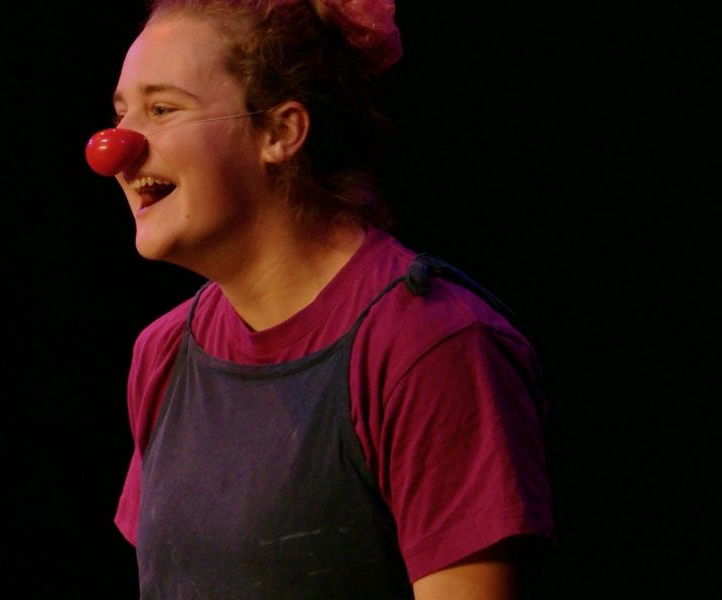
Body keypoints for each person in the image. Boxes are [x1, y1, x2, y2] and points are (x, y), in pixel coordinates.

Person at [83, 0, 557, 597]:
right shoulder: (163, 352)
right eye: (121, 114)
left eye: (162, 109)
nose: (114, 150)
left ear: (280, 132)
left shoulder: (429, 346)